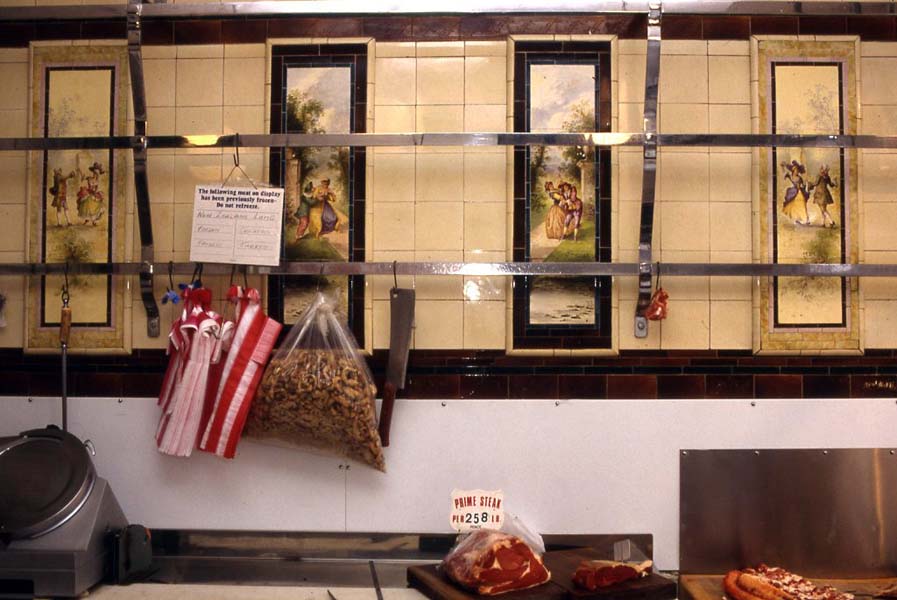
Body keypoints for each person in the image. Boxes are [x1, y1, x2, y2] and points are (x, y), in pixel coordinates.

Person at [807, 164, 838, 228]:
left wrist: (809, 183)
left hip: (819, 194)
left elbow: (815, 183)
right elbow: (831, 185)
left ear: (823, 170)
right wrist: (834, 183)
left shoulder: (819, 176)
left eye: (821, 169)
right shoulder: (827, 177)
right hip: (825, 194)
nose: (820, 170)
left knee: (823, 209)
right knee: (823, 209)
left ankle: (831, 221)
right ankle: (823, 223)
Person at [780, 160, 810, 225]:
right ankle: (797, 219)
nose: (797, 171)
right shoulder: (791, 176)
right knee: (793, 206)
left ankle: (807, 219)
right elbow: (784, 173)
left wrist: (805, 186)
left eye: (798, 170)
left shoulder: (799, 178)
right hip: (794, 192)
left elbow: (803, 185)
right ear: (793, 170)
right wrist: (782, 167)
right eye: (796, 170)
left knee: (802, 205)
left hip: (800, 192)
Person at [76, 161, 106, 226]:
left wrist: (95, 193)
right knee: (87, 206)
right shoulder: (89, 178)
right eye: (94, 173)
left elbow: (96, 189)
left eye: (97, 173)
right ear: (93, 172)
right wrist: (80, 171)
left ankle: (94, 221)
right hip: (88, 193)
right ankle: (87, 220)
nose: (95, 174)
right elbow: (83, 177)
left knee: (95, 207)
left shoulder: (97, 181)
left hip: (93, 194)